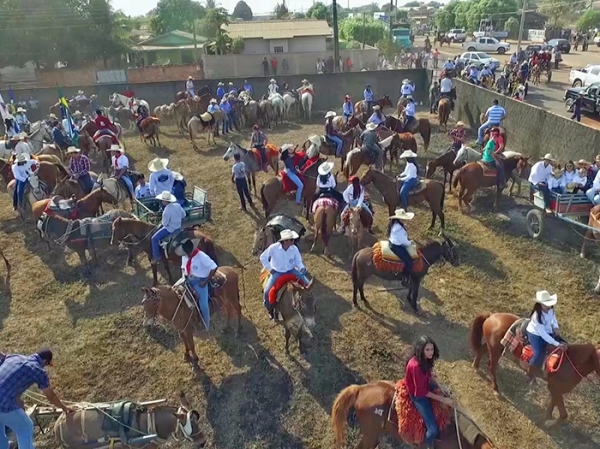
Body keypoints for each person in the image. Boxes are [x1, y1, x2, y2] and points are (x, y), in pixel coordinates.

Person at [0, 349, 72, 449]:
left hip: (4, 399)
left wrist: (17, 399)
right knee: (25, 427)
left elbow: (2, 358)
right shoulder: (38, 371)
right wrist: (64, 408)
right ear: (46, 361)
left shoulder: (14, 357)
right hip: (3, 403)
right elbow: (51, 397)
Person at [405, 336, 454, 448]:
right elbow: (422, 392)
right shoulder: (415, 366)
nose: (430, 352)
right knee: (432, 429)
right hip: (417, 395)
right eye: (427, 350)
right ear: (421, 350)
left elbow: (429, 375)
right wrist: (443, 399)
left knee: (446, 391)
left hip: (425, 383)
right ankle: (424, 446)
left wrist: (439, 386)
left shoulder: (424, 360)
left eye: (432, 349)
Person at [259, 229, 312, 317]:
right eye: (291, 240)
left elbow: (298, 261)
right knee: (267, 291)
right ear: (285, 241)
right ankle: (269, 307)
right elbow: (263, 257)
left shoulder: (294, 248)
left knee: (307, 284)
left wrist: (301, 268)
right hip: (277, 272)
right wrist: (270, 268)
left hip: (291, 270)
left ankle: (308, 301)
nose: (293, 241)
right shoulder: (273, 248)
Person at [525, 290, 566, 385]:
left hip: (548, 331)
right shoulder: (536, 317)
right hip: (536, 334)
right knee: (539, 353)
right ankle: (530, 373)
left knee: (563, 342)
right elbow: (543, 335)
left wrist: (555, 326)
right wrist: (557, 344)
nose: (548, 306)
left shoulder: (550, 309)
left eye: (549, 304)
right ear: (540, 304)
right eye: (546, 304)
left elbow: (553, 318)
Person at [179, 238, 217, 332]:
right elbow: (183, 268)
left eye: (188, 253)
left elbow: (214, 267)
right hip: (187, 279)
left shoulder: (201, 256)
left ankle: (206, 325)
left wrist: (205, 282)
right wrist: (183, 277)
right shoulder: (184, 256)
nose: (187, 255)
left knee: (203, 305)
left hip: (200, 281)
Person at [150, 191, 187, 264]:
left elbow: (164, 223)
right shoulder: (177, 205)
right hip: (179, 227)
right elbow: (184, 215)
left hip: (170, 229)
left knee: (154, 238)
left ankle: (157, 257)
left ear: (165, 201)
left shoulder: (166, 211)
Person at [387, 208, 416, 284]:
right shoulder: (399, 228)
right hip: (396, 246)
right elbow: (404, 241)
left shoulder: (395, 224)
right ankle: (405, 277)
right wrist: (410, 242)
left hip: (392, 243)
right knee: (409, 262)